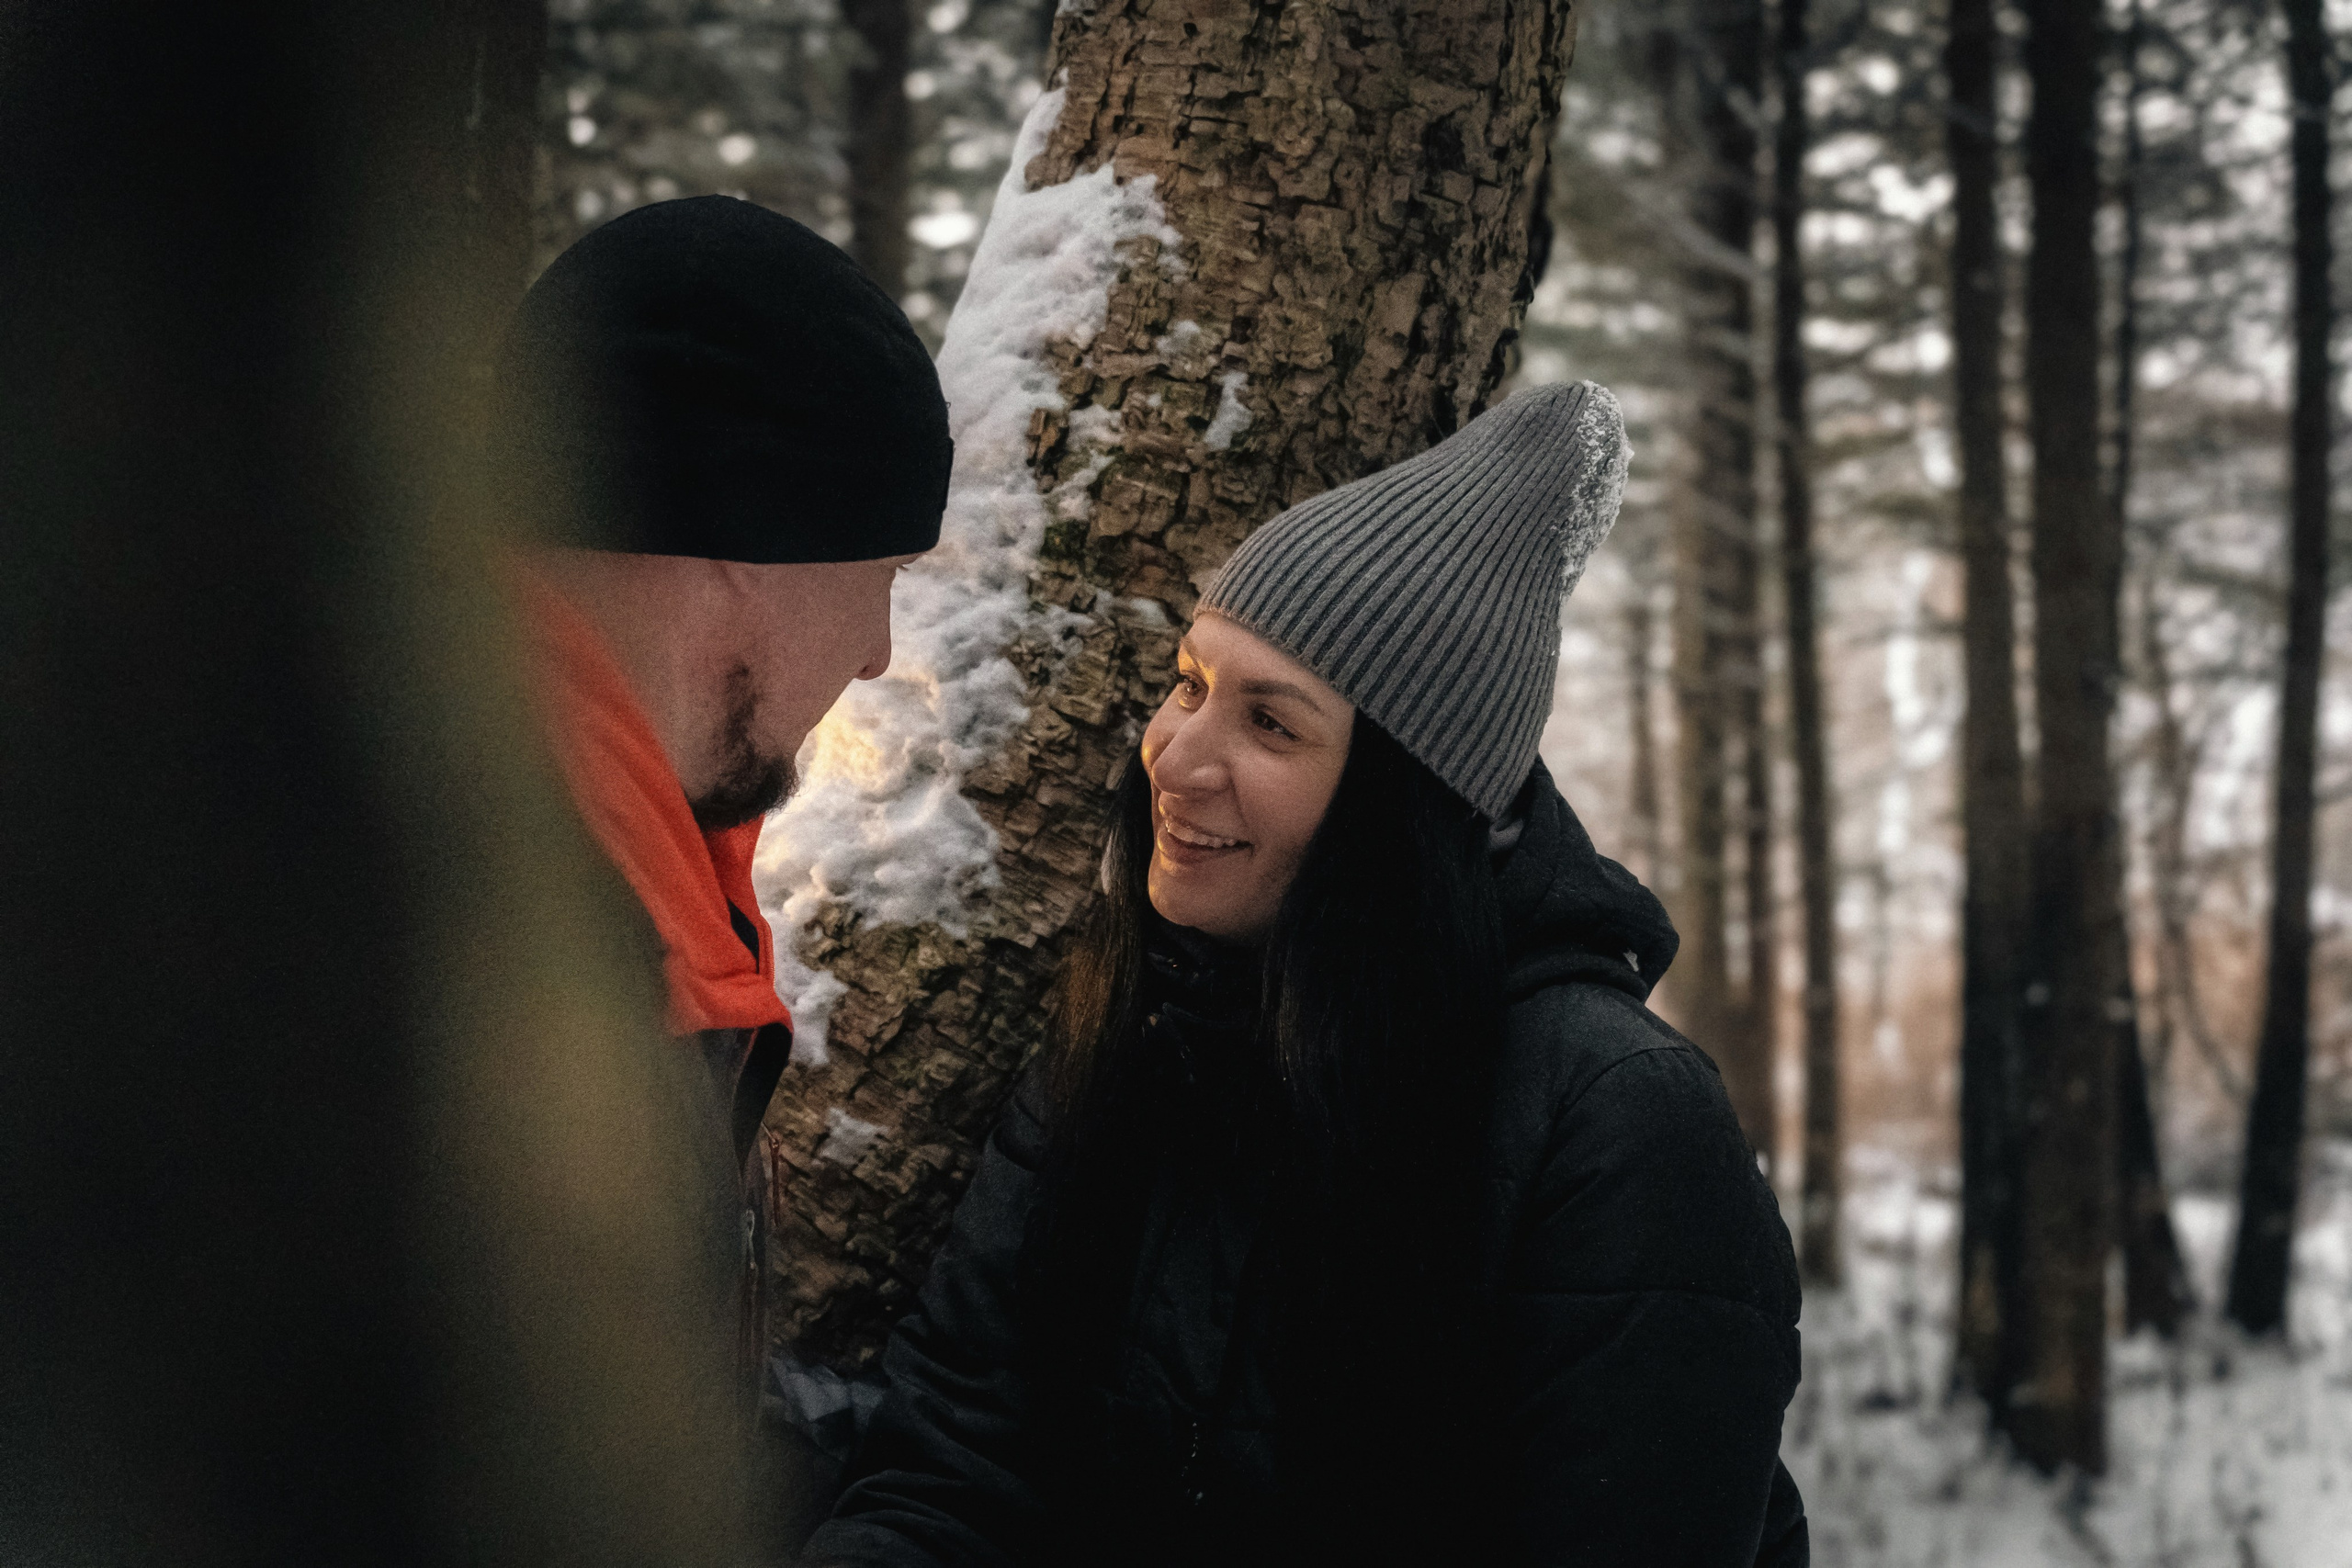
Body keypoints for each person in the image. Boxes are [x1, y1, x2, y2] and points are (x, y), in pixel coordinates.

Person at [801, 382, 1809, 1566]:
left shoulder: (1618, 1127)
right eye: (1189, 683)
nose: (1176, 754)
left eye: (1271, 726)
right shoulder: (1133, 1030)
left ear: (1408, 806)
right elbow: (957, 1468)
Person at [488, 195, 952, 1405]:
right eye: (882, 573)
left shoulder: (629, 875)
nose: (875, 654)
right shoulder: (480, 960)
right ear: (760, 538)